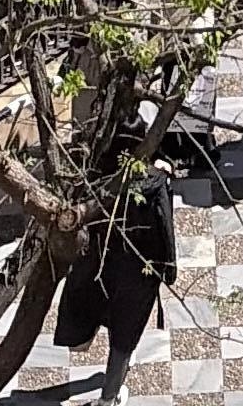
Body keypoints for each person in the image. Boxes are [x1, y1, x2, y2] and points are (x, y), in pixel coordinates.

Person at [94, 165, 178, 400]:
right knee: (126, 334)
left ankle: (115, 380)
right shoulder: (157, 184)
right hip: (143, 268)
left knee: (117, 320)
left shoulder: (111, 172)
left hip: (111, 260)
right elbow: (166, 227)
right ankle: (108, 398)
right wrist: (170, 268)